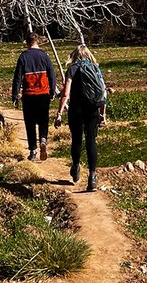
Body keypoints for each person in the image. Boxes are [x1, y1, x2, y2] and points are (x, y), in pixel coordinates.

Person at [54, 45, 107, 192]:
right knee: (91, 140)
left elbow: (66, 93)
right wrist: (103, 113)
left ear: (74, 55)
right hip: (92, 108)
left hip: (76, 109)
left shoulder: (72, 69)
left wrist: (59, 113)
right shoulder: (95, 68)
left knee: (76, 139)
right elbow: (102, 91)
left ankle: (76, 166)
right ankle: (92, 177)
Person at [12, 32, 57, 162]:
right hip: (43, 94)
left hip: (29, 95)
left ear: (27, 42)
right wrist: (52, 91)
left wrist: (15, 95)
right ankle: (43, 139)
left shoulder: (23, 57)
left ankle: (33, 151)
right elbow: (52, 75)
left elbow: (17, 78)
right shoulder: (44, 56)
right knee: (43, 120)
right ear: (38, 41)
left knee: (30, 123)